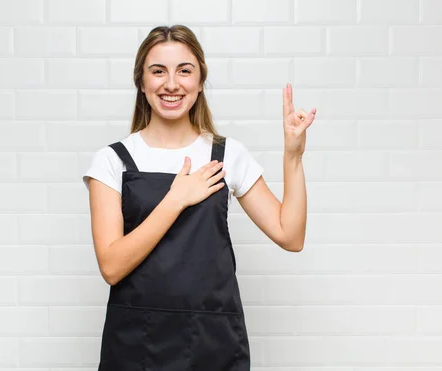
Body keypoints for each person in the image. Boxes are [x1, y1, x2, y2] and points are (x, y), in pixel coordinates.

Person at [83, 24, 316, 371]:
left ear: (200, 81)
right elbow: (112, 267)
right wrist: (176, 198)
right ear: (141, 81)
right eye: (158, 71)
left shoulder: (227, 154)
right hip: (136, 346)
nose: (172, 84)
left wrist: (293, 155)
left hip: (213, 343)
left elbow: (290, 235)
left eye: (185, 71)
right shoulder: (112, 160)